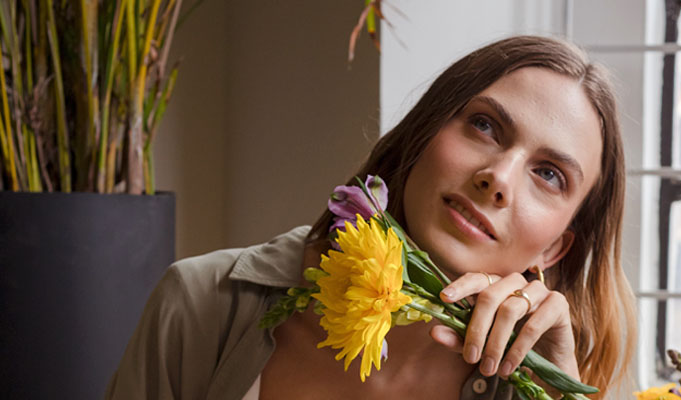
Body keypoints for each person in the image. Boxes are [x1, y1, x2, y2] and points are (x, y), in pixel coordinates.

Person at [106, 35, 637, 400]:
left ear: (553, 249)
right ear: (423, 133)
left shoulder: (543, 381)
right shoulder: (200, 307)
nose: (499, 177)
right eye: (484, 125)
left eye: (548, 175)